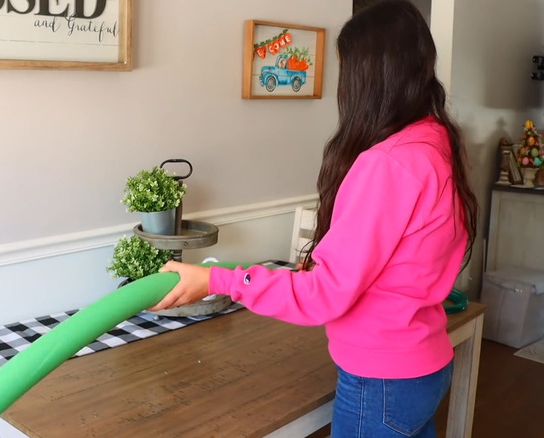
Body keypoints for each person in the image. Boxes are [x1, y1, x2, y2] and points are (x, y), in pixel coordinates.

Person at [148, 1, 479, 437]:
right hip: (423, 367)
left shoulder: (389, 164)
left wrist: (216, 280)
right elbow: (401, 262)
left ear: (367, 77)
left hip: (382, 379)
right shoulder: (435, 143)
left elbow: (325, 296)